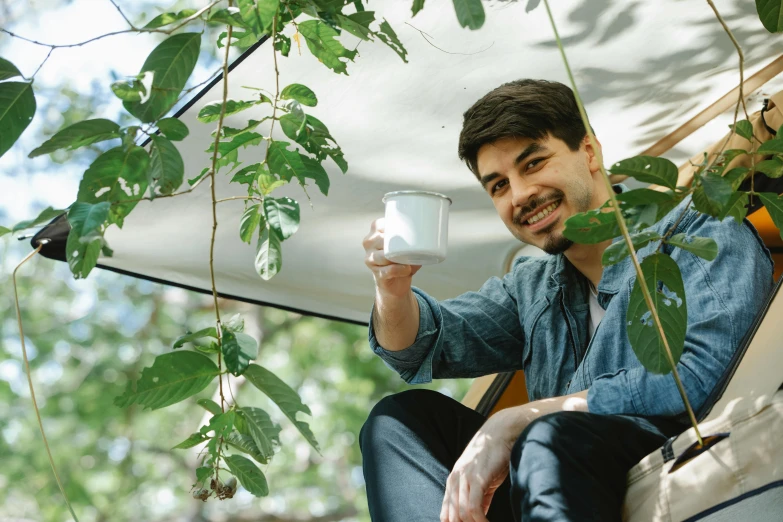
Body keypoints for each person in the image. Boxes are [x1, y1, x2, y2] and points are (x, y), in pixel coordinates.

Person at [358, 79, 775, 522]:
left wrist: (520, 418)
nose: (519, 196)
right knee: (398, 421)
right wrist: (392, 285)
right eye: (498, 186)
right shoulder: (533, 287)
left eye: (533, 163)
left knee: (546, 437)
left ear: (590, 152)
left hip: (675, 462)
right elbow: (421, 345)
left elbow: (697, 377)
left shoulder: (698, 232)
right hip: (552, 487)